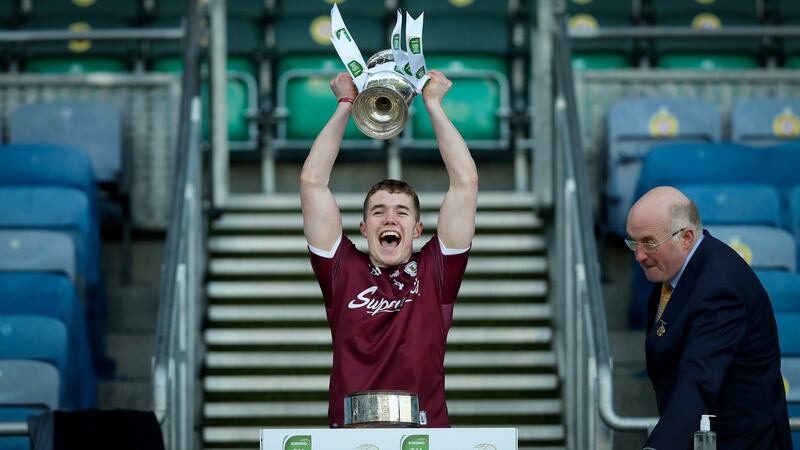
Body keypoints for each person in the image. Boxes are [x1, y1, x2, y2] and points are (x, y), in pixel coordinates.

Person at [300, 70, 478, 428]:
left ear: (416, 229)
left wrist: (433, 105)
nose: (389, 219)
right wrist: (345, 104)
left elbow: (465, 183)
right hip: (350, 436)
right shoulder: (342, 270)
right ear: (364, 228)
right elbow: (313, 183)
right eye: (378, 212)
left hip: (424, 436)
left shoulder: (436, 272)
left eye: (401, 212)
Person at [625, 186, 792, 450]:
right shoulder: (673, 271)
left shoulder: (719, 287)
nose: (639, 255)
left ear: (687, 237)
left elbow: (698, 379)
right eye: (633, 242)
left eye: (649, 242)